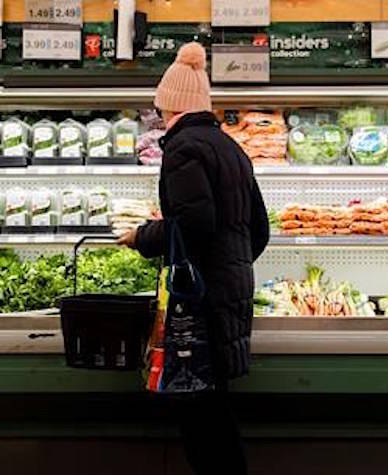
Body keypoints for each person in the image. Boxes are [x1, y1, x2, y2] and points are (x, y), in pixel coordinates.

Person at [117, 42, 269, 474]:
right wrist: (232, 267)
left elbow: (193, 225)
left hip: (201, 306)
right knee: (214, 415)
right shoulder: (231, 148)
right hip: (227, 295)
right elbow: (259, 230)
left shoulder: (184, 149)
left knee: (202, 421)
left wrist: (141, 237)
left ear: (170, 104)